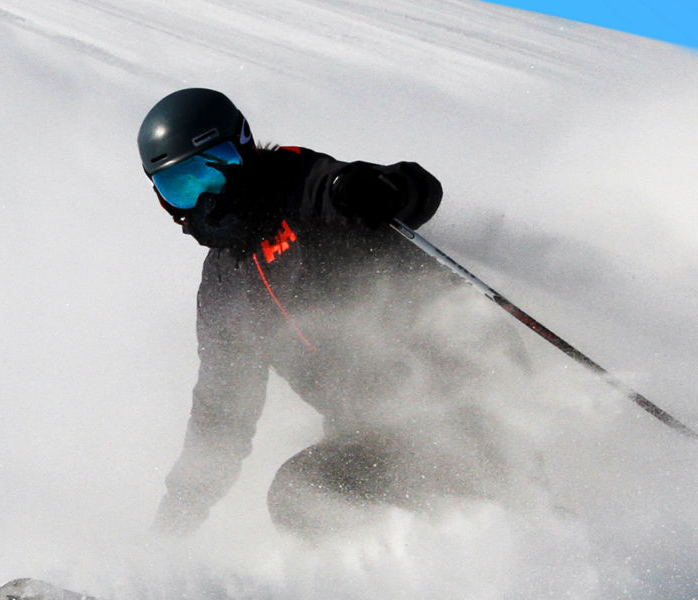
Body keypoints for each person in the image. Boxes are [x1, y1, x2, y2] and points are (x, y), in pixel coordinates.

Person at [138, 88, 517, 536]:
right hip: (375, 436)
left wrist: (375, 189)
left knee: (306, 491)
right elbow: (222, 415)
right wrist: (175, 521)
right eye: (181, 186)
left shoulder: (297, 185)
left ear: (243, 147)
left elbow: (418, 191)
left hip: (459, 400)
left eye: (215, 169)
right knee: (305, 495)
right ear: (163, 201)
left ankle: (529, 537)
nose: (207, 199)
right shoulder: (223, 290)